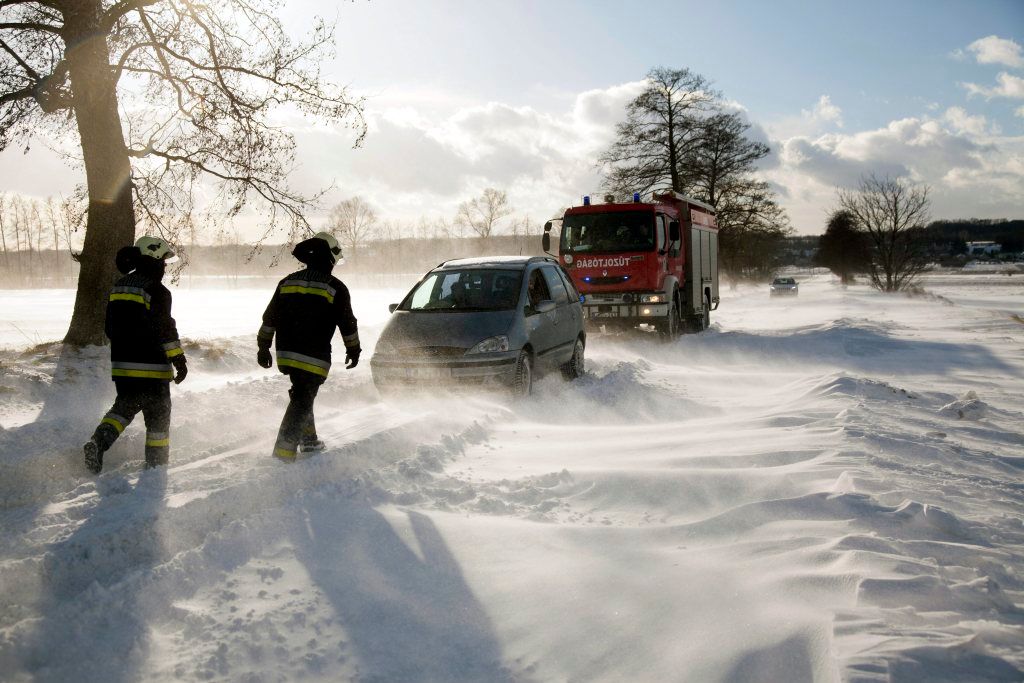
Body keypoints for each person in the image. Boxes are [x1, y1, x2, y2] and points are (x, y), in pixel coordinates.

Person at [83, 236, 188, 474]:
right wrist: (179, 360)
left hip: (122, 365)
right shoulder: (158, 291)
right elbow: (165, 329)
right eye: (162, 261)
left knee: (124, 408)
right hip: (153, 368)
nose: (164, 267)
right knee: (158, 418)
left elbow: (110, 328)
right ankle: (156, 466)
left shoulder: (119, 286)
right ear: (153, 259)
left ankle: (98, 441)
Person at [257, 232, 360, 460]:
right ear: (329, 259)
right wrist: (353, 349)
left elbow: (269, 317)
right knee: (303, 398)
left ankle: (310, 442)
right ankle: (283, 454)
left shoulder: (287, 282)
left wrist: (263, 346)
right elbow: (347, 323)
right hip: (314, 355)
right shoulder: (335, 287)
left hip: (286, 352)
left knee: (302, 394)